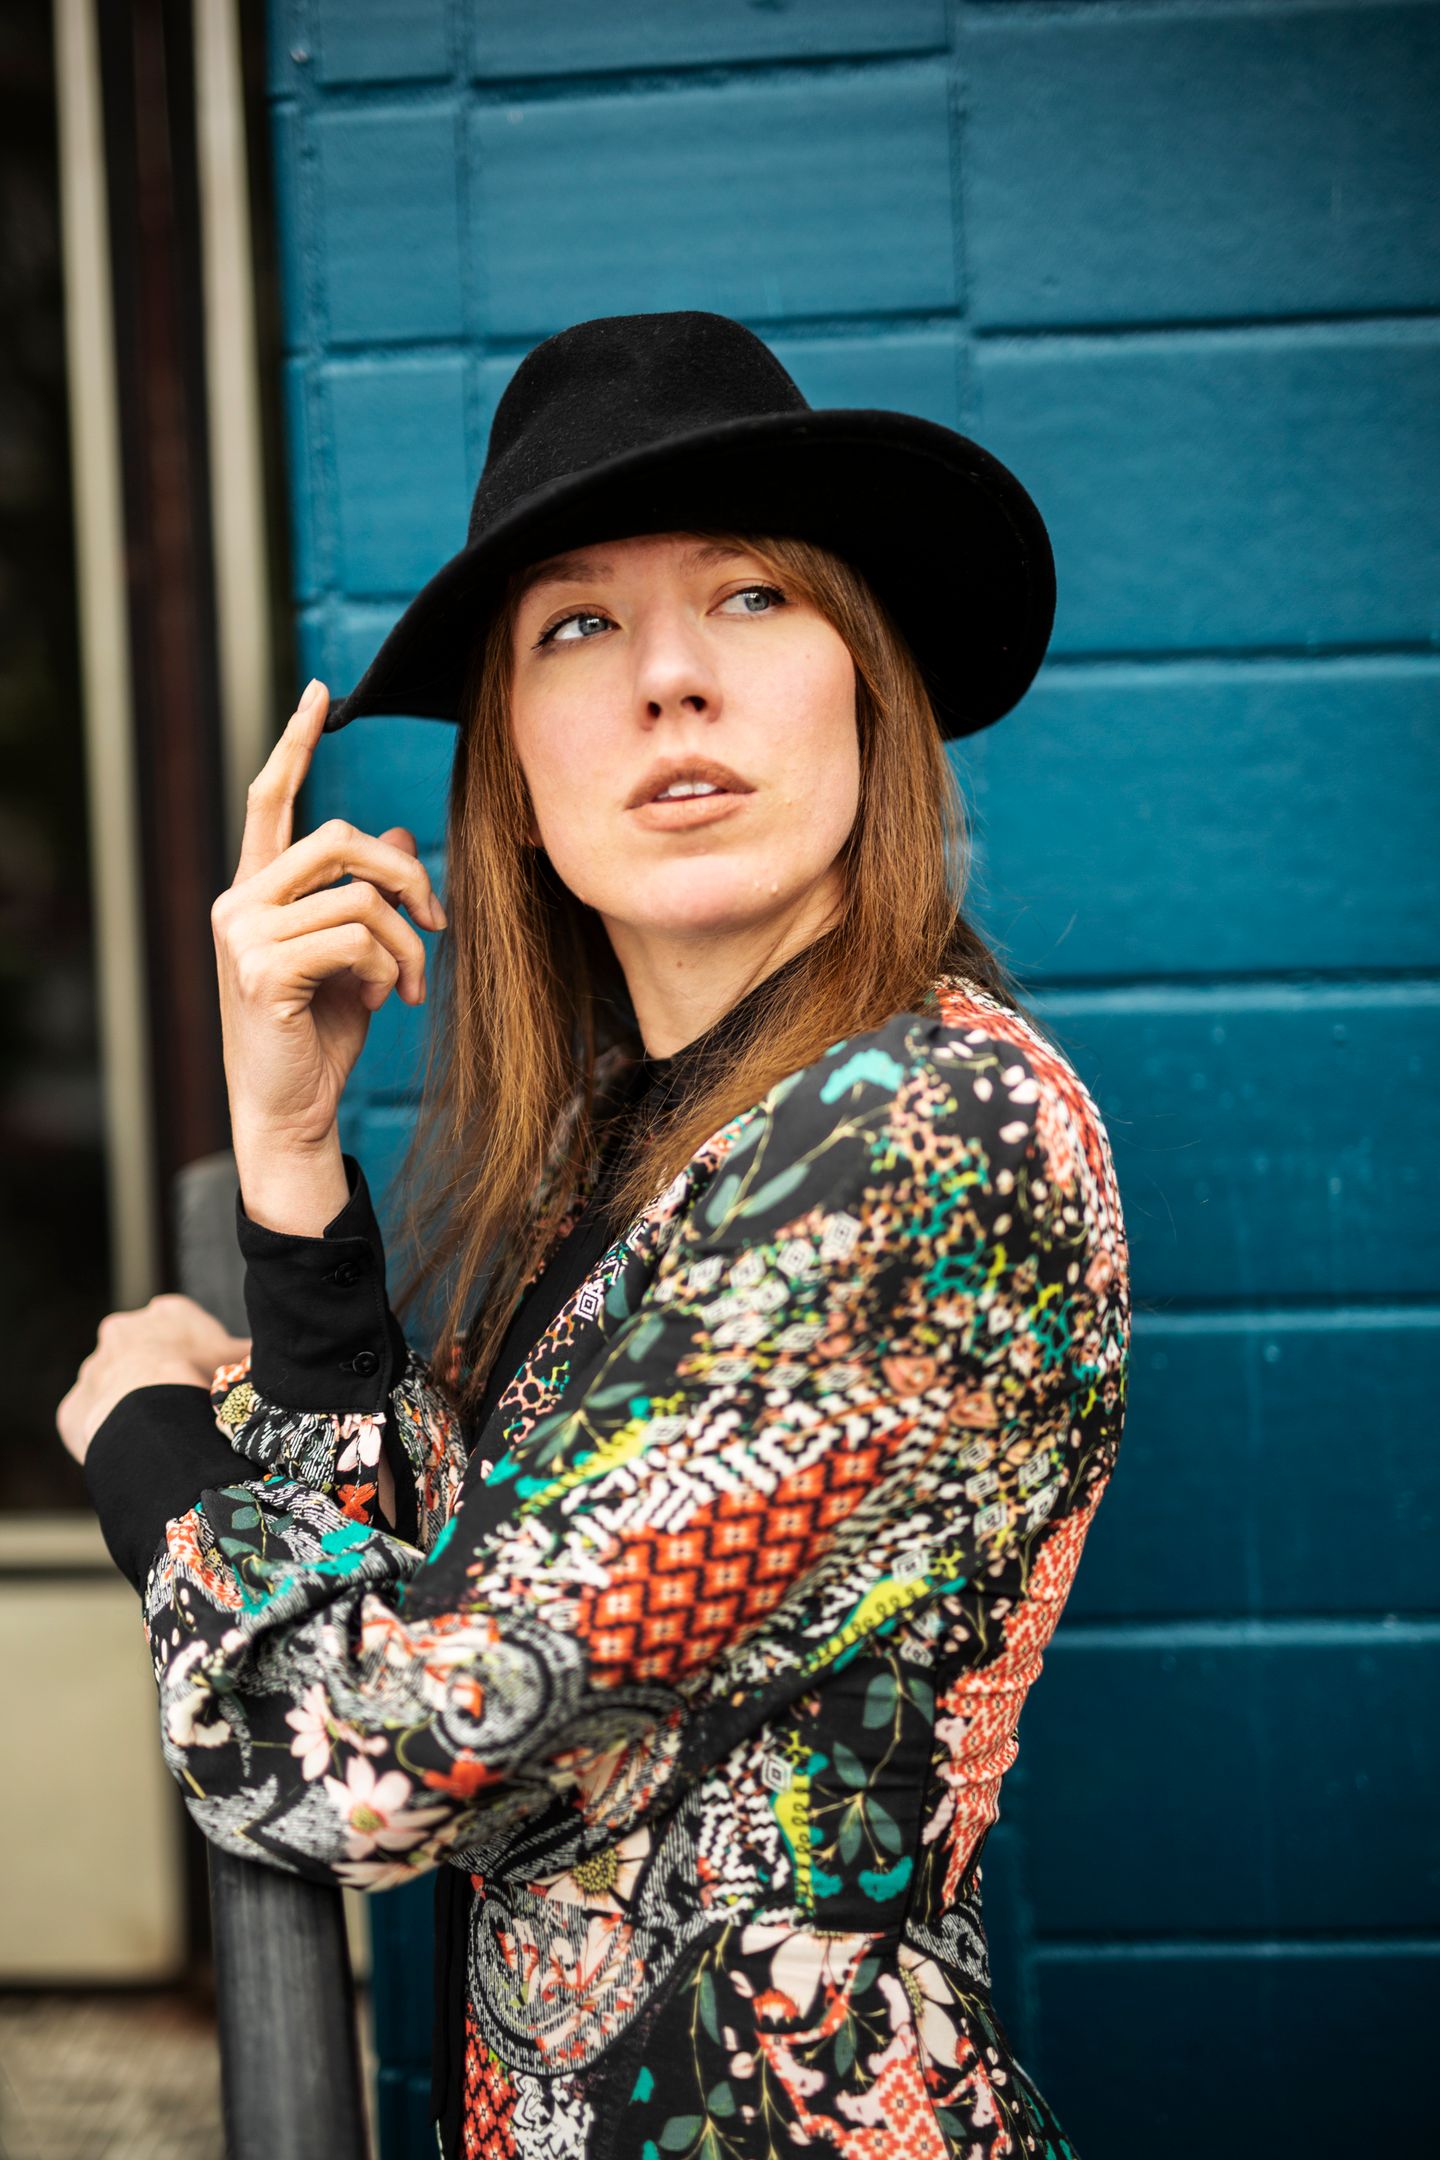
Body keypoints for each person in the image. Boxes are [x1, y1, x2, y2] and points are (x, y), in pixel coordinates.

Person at [58, 311, 1130, 2159]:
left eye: (751, 597)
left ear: (865, 688)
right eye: (576, 626)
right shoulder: (646, 1138)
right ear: (516, 776)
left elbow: (376, 1756)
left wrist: (144, 1434)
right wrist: (292, 1160)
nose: (670, 680)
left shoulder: (920, 1131)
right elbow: (433, 1590)